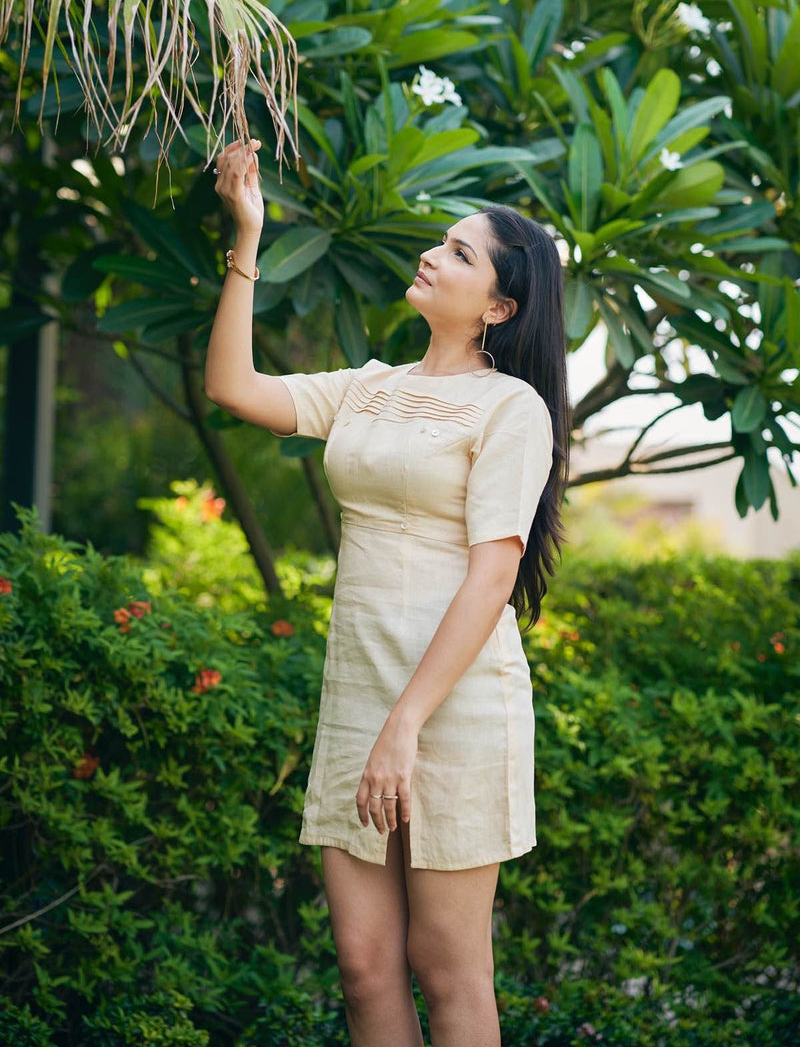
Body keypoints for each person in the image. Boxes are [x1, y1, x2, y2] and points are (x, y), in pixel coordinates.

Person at [205, 138, 571, 1047]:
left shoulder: (510, 410)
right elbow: (231, 387)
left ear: (498, 305)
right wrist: (247, 236)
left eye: (458, 252)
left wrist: (406, 726)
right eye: (437, 242)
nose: (430, 255)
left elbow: (494, 574)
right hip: (360, 693)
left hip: (450, 708)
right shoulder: (370, 389)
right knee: (365, 968)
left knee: (448, 977)